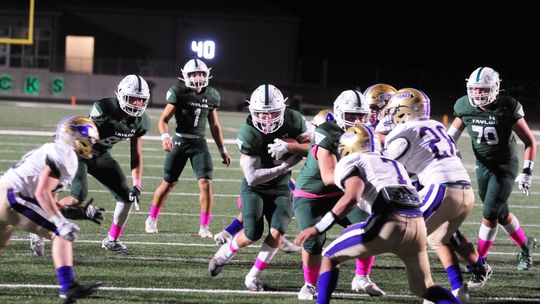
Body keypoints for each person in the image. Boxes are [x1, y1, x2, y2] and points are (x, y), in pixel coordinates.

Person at [294, 126, 460, 304]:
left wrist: (319, 227)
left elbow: (353, 195)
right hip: (418, 225)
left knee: (329, 257)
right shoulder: (393, 162)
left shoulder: (353, 160)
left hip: (388, 222)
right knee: (426, 288)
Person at [383, 88, 490, 301]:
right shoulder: (437, 125)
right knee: (439, 238)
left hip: (441, 189)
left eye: (395, 110)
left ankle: (429, 292)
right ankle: (465, 280)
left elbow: (391, 170)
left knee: (409, 238)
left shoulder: (400, 134)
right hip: (465, 191)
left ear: (404, 111)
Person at [208, 84, 311, 291]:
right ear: (253, 112)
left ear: (282, 109)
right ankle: (222, 255)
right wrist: (285, 166)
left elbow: (316, 145)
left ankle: (253, 277)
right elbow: (253, 178)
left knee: (277, 232)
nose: (267, 119)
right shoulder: (248, 132)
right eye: (262, 114)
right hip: (255, 188)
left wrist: (292, 147)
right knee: (252, 233)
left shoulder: (294, 119)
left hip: (282, 188)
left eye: (272, 112)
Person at [0, 116, 102, 303]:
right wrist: (61, 223)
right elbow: (42, 193)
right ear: (76, 139)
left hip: (5, 195)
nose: (91, 145)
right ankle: (68, 287)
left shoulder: (56, 150)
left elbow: (49, 203)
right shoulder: (67, 155)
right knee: (60, 234)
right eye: (89, 141)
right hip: (12, 197)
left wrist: (78, 213)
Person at [293, 91, 384, 300]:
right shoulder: (327, 132)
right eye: (352, 116)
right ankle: (309, 284)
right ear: (340, 112)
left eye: (361, 116)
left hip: (342, 192)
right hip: (312, 194)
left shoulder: (365, 131)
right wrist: (360, 181)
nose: (358, 121)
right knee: (315, 240)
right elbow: (327, 176)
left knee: (370, 227)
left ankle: (362, 278)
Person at [448, 67, 537, 271]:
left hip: (504, 167)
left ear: (495, 88)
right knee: (501, 213)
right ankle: (526, 247)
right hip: (483, 166)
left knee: (489, 214)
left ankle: (478, 262)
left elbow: (530, 141)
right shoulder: (464, 106)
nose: (478, 94)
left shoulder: (508, 107)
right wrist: (449, 149)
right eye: (475, 89)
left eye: (483, 89)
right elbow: (450, 136)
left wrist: (527, 171)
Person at [54, 75, 150, 256]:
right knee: (77, 197)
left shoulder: (141, 122)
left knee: (127, 196)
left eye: (140, 100)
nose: (136, 104)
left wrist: (137, 183)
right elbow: (85, 136)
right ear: (121, 95)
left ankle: (112, 240)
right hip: (80, 153)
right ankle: (43, 223)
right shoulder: (104, 108)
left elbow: (136, 154)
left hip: (100, 155)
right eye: (133, 99)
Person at [145, 58, 231, 238]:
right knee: (168, 183)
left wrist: (223, 150)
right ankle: (151, 218)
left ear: (207, 75)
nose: (197, 77)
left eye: (200, 73)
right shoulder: (178, 92)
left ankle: (204, 227)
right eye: (193, 74)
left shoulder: (212, 95)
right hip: (180, 142)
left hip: (199, 144)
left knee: (206, 184)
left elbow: (215, 126)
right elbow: (163, 119)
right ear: (186, 76)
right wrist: (165, 137)